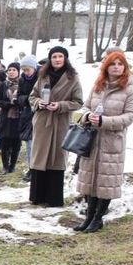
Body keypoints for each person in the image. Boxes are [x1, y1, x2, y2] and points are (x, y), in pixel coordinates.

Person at [73, 50, 133, 233]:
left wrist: (105, 122)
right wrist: (87, 116)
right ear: (106, 66)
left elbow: (130, 116)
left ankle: (98, 218)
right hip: (92, 140)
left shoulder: (129, 90)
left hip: (111, 142)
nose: (116, 67)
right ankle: (88, 216)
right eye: (113, 63)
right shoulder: (98, 85)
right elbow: (85, 106)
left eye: (120, 64)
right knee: (90, 180)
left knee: (105, 182)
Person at [28, 45, 83, 207]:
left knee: (57, 157)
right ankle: (37, 196)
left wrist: (59, 105)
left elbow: (78, 102)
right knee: (39, 157)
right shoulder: (43, 76)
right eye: (54, 57)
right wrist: (39, 103)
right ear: (50, 59)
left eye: (60, 56)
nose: (57, 59)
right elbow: (32, 96)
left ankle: (53, 198)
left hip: (60, 122)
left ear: (65, 58)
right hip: (42, 122)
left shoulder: (73, 78)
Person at [0, 61, 23, 174]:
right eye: (9, 70)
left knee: (16, 144)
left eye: (14, 70)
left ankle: (13, 166)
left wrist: (18, 103)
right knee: (5, 143)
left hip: (18, 118)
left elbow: (26, 100)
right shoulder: (3, 85)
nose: (11, 72)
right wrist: (8, 104)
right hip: (6, 118)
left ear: (18, 72)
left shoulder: (22, 84)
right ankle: (5, 167)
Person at [18, 57, 39, 180]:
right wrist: (27, 100)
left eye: (28, 69)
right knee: (29, 143)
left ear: (34, 68)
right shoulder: (22, 80)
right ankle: (31, 169)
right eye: (24, 70)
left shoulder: (41, 78)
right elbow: (20, 96)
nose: (26, 72)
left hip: (40, 112)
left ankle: (37, 168)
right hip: (27, 114)